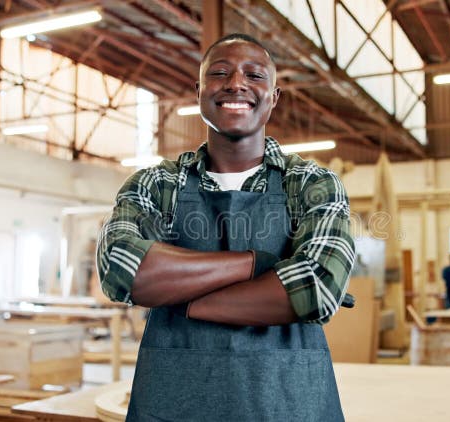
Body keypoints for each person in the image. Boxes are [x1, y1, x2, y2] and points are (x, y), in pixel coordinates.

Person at [97, 33, 353, 421]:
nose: (236, 83)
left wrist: (179, 299)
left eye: (254, 75)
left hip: (287, 403)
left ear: (274, 96)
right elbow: (121, 269)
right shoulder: (156, 184)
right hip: (176, 403)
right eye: (220, 73)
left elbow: (316, 289)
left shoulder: (312, 184)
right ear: (199, 90)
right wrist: (260, 264)